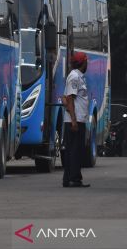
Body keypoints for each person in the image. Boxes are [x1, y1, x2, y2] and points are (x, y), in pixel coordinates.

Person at [62, 51, 90, 188]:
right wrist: (73, 121)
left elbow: (66, 98)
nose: (87, 64)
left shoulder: (79, 77)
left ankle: (70, 178)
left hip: (78, 119)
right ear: (83, 63)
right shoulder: (74, 77)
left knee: (74, 151)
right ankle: (74, 179)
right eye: (86, 61)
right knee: (75, 151)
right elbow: (69, 99)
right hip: (75, 121)